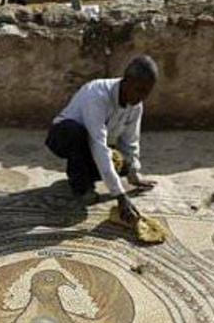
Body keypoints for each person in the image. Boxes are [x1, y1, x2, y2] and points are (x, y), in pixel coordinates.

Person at [45, 56, 159, 222]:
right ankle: (80, 186)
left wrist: (133, 174)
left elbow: (130, 140)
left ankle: (86, 173)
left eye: (147, 92)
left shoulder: (136, 105)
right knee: (76, 133)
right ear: (126, 82)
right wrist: (120, 196)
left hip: (98, 144)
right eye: (139, 90)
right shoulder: (97, 95)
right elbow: (97, 143)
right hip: (63, 136)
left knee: (122, 164)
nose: (142, 97)